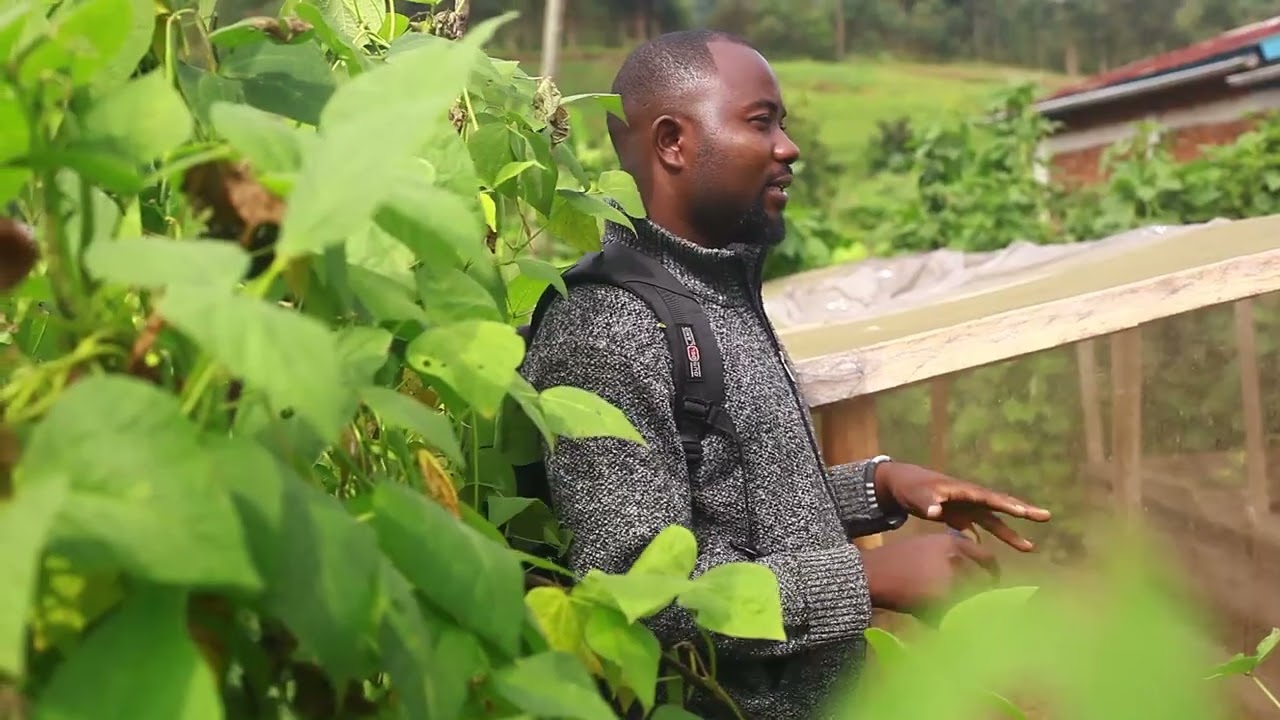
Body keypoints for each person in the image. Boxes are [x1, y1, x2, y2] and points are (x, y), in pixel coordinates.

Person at [519, 29, 1052, 720]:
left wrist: (881, 484)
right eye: (760, 121)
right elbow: (629, 592)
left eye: (784, 123)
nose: (787, 147)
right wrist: (864, 577)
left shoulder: (715, 296)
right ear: (673, 142)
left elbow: (735, 500)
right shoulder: (611, 326)